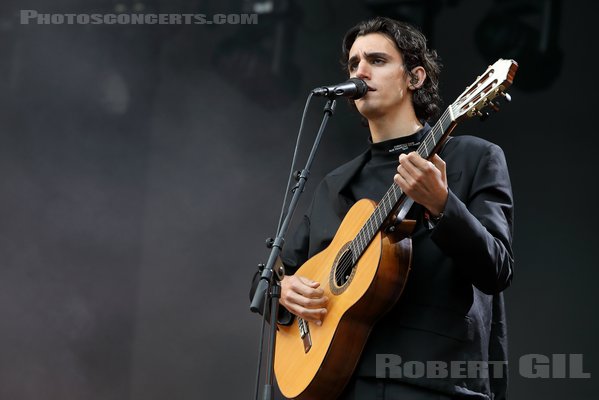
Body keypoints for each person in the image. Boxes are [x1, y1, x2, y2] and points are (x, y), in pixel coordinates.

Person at [259, 16, 514, 400]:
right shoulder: (336, 184)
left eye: (376, 61)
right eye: (353, 63)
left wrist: (442, 204)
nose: (360, 71)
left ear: (415, 78)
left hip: (431, 382)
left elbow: (497, 268)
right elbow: (271, 279)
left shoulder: (473, 158)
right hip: (340, 384)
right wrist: (284, 290)